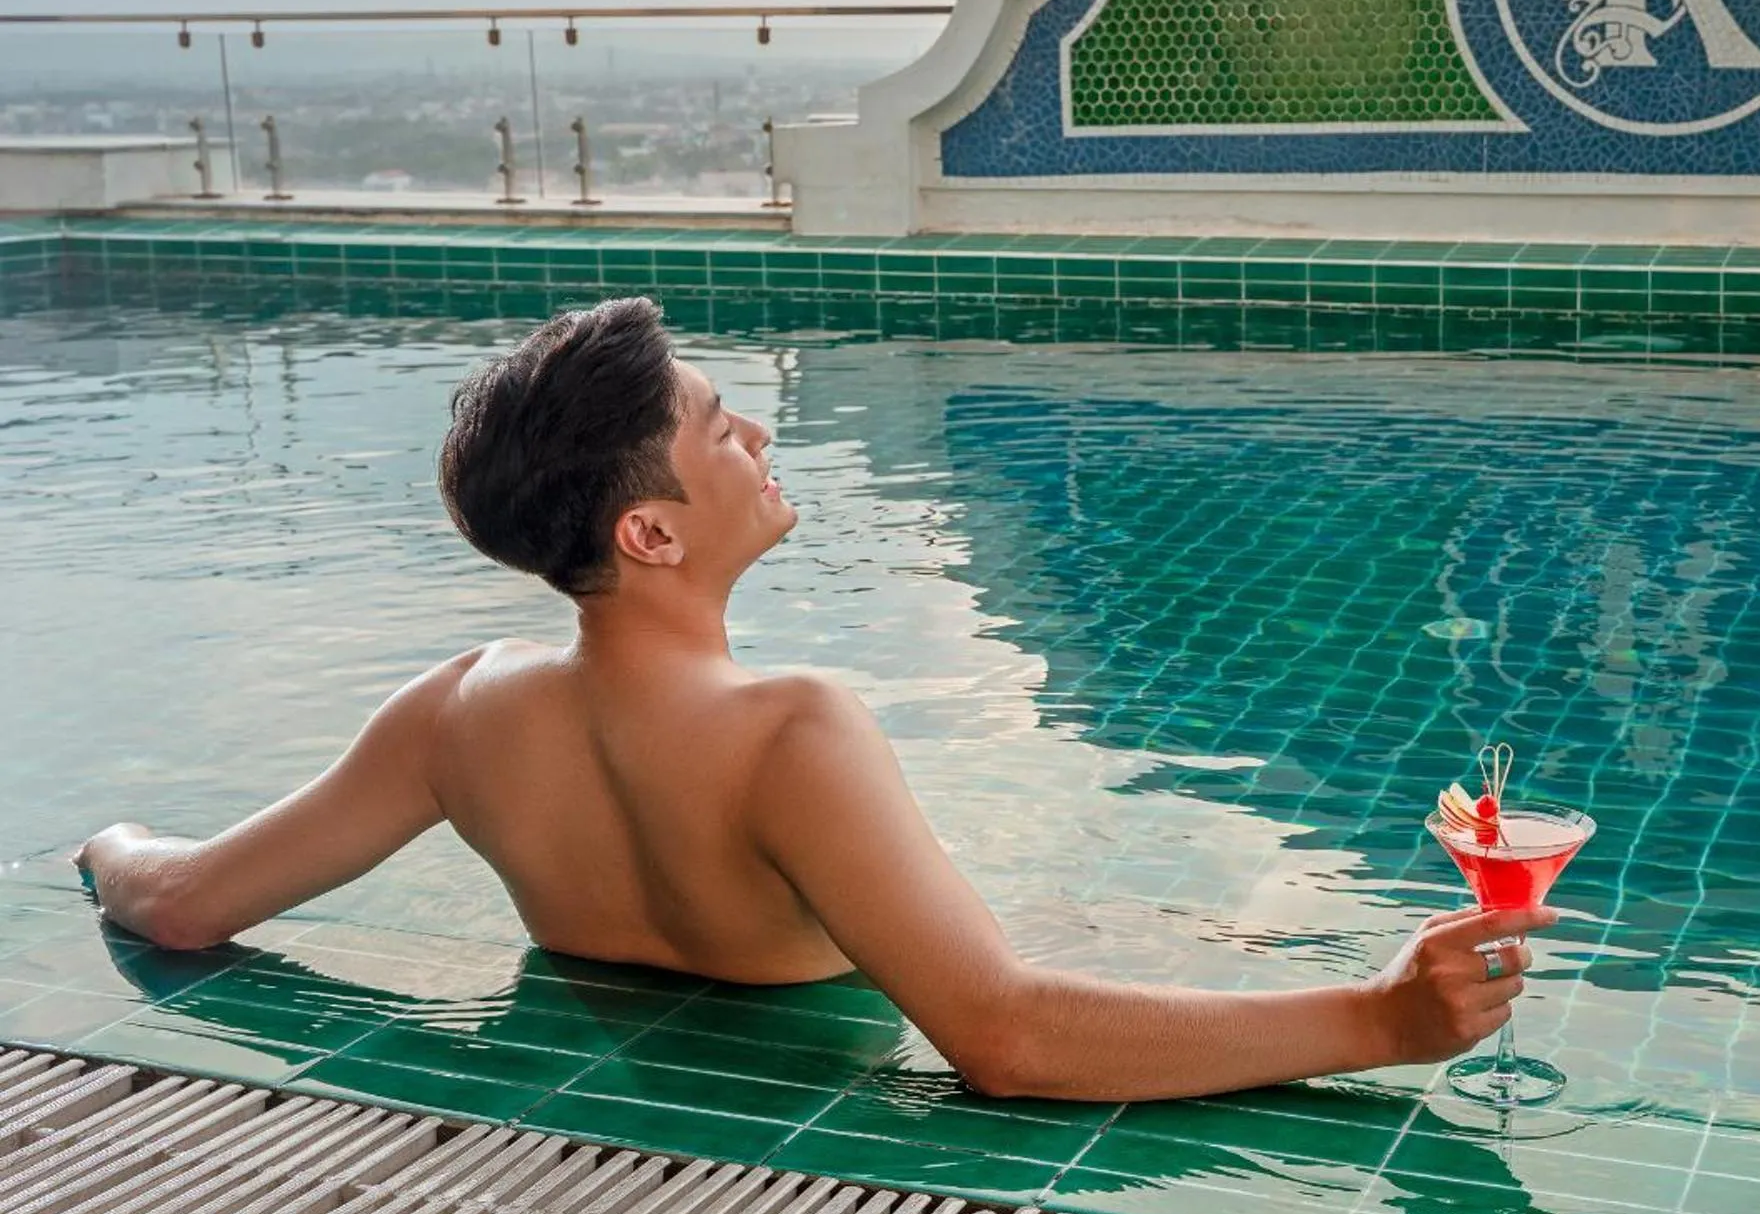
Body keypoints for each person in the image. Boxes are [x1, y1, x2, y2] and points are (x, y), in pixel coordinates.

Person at [75, 297, 1555, 1101]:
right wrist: (1379, 1015)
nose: (760, 430)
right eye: (720, 426)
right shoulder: (790, 731)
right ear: (648, 531)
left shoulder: (462, 715)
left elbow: (187, 903)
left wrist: (103, 843)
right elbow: (1009, 1037)